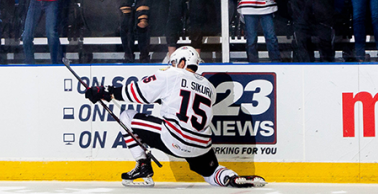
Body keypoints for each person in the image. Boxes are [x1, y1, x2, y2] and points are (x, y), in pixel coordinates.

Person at [83, 46, 266, 188]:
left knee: (126, 117)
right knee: (211, 173)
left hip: (174, 138)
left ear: (181, 63)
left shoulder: (172, 74)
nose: (171, 65)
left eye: (173, 62)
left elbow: (138, 93)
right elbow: (179, 102)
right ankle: (230, 177)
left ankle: (143, 165)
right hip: (201, 146)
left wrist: (106, 92)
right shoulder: (209, 87)